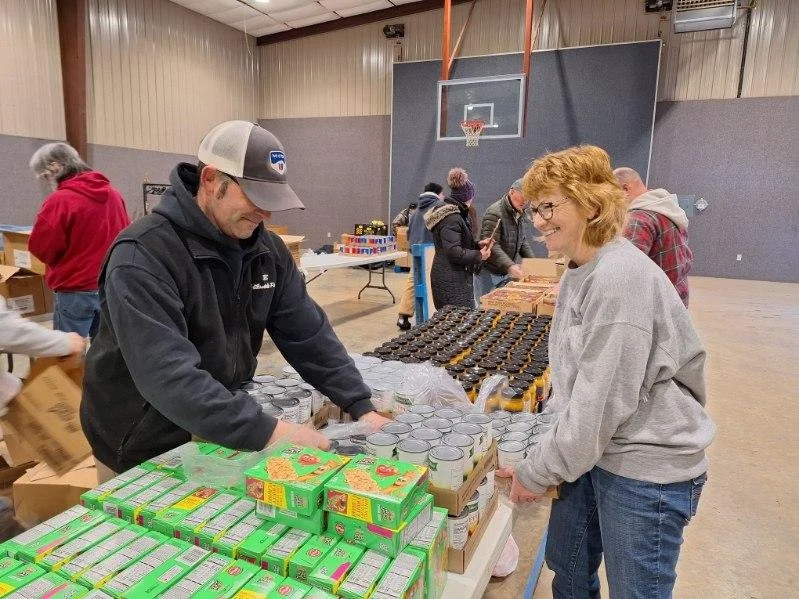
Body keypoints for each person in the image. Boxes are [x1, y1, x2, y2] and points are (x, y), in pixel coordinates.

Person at [80, 121, 389, 480]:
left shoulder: (266, 251)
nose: (266, 213)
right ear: (211, 180)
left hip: (217, 428)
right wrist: (269, 432)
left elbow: (308, 334)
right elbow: (165, 373)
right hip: (139, 440)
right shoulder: (143, 256)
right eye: (255, 198)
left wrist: (360, 405)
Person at [510, 145, 715, 598]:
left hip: (645, 466)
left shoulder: (618, 279)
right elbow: (574, 380)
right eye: (535, 208)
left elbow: (598, 406)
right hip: (597, 451)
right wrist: (545, 445)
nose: (540, 220)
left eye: (551, 205)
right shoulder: (581, 269)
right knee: (567, 563)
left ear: (591, 203)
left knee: (635, 590)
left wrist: (535, 471)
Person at [28, 143, 130, 337]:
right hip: (109, 287)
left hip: (74, 291)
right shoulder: (113, 195)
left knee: (69, 357)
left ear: (55, 167)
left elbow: (41, 247)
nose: (47, 182)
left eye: (45, 176)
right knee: (104, 356)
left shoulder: (60, 200)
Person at [613, 167, 693, 306]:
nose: (613, 203)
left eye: (613, 195)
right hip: (677, 297)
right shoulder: (668, 208)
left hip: (656, 306)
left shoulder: (639, 218)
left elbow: (625, 270)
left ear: (625, 189)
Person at [424, 168, 492, 309]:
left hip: (452, 276)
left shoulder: (456, 214)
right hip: (451, 279)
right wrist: (479, 255)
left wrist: (477, 245)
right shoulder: (452, 217)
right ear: (467, 196)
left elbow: (456, 243)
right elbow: (454, 252)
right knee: (458, 322)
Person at [474, 178, 537, 300]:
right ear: (512, 192)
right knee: (484, 310)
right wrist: (510, 266)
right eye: (523, 196)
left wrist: (534, 263)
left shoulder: (519, 213)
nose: (525, 201)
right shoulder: (494, 213)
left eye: (528, 198)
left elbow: (522, 241)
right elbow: (492, 245)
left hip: (503, 272)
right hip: (488, 273)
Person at [396, 182, 443, 330]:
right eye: (442, 193)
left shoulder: (416, 210)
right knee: (431, 285)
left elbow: (409, 231)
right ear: (437, 193)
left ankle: (403, 316)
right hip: (431, 251)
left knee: (412, 282)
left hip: (416, 251)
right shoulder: (437, 207)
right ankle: (430, 318)